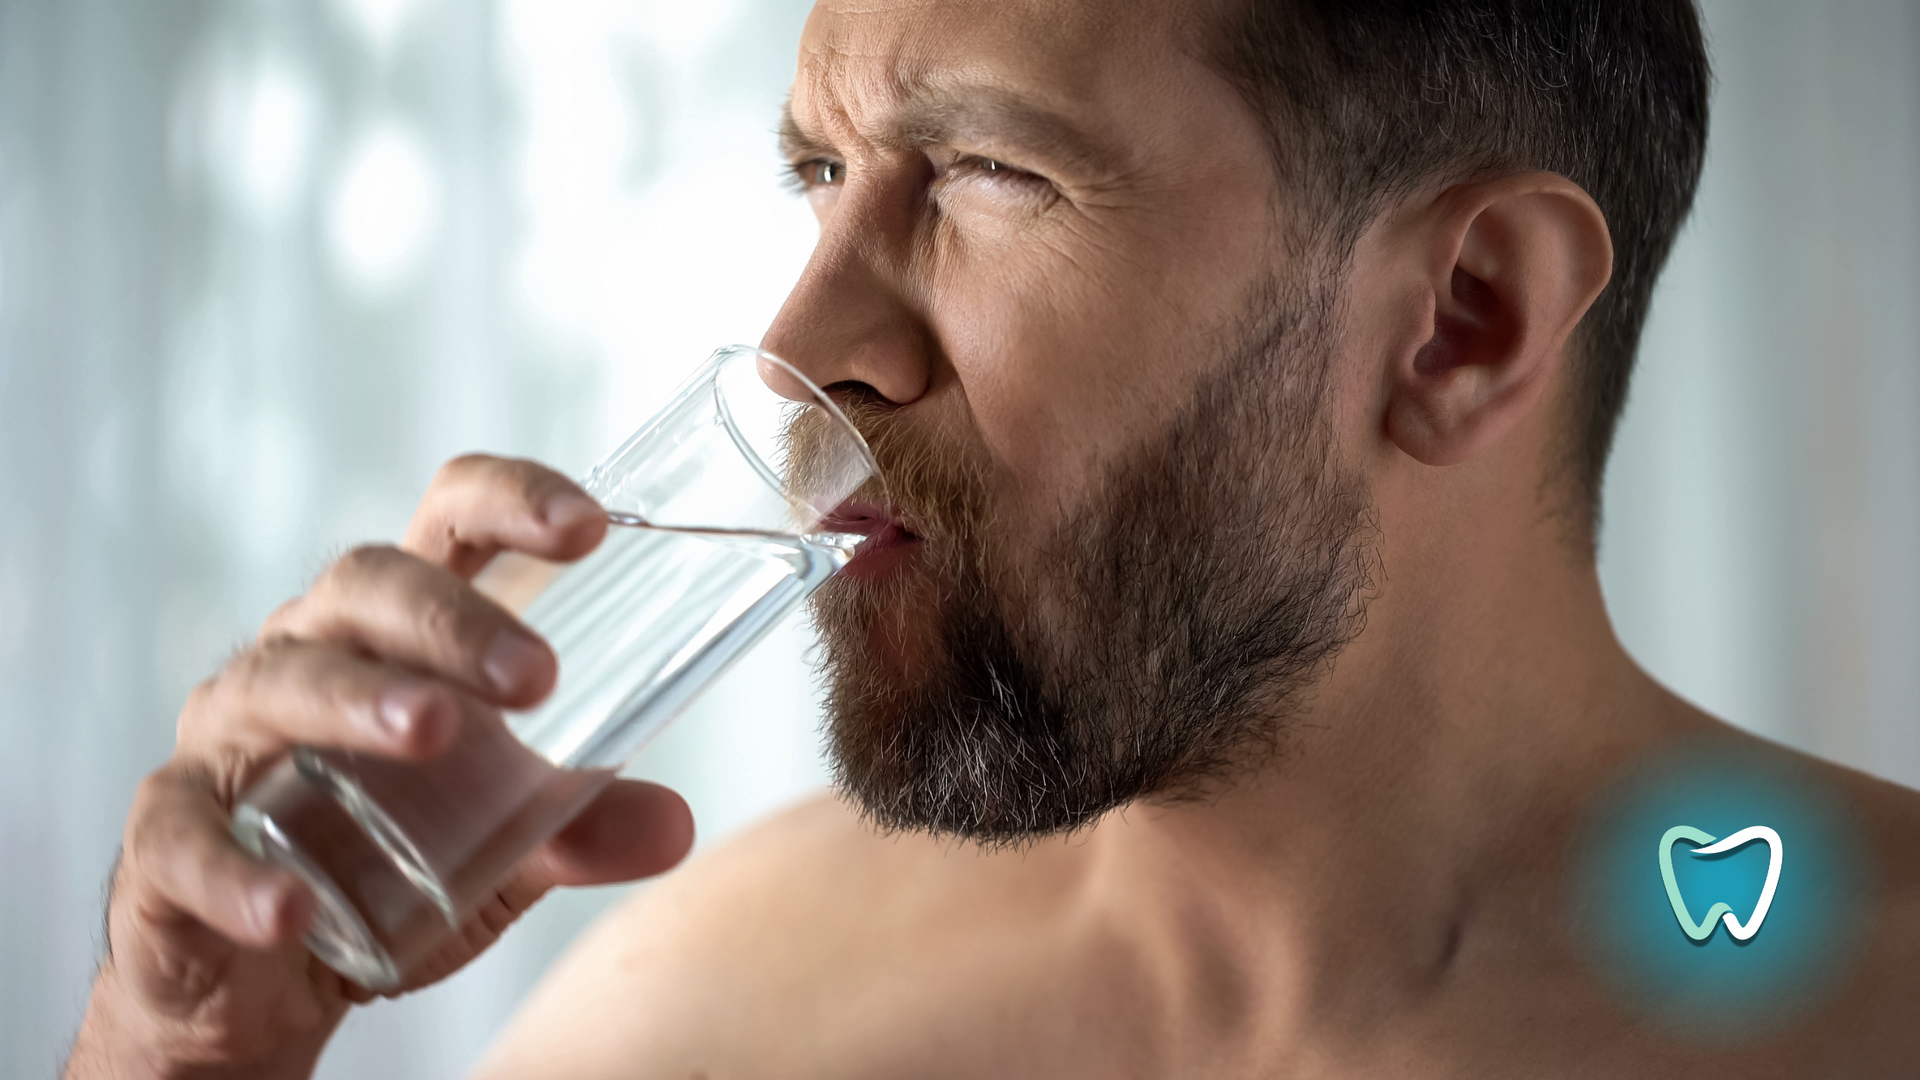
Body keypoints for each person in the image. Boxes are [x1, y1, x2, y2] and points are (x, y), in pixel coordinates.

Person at [63, 0, 1920, 1076]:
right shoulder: (702, 1016)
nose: (802, 350)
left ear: (1466, 324)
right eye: (820, 174)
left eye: (985, 177)